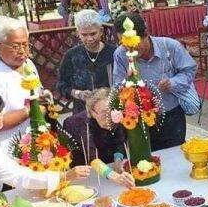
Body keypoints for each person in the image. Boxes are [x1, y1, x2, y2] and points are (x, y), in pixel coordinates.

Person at [111, 13, 197, 150]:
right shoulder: (120, 54)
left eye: (134, 42)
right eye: (124, 43)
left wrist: (172, 83)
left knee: (175, 155)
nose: (129, 48)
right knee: (146, 161)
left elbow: (189, 71)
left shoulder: (170, 47)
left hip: (171, 114)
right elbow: (117, 85)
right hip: (140, 120)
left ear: (146, 33)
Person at [0, 17, 40, 144]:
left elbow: (38, 91)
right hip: (12, 145)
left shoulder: (29, 64)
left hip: (39, 137)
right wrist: (30, 111)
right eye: (15, 46)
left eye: (25, 45)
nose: (22, 51)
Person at [57, 10, 116, 113]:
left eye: (93, 33)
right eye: (84, 35)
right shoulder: (71, 56)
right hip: (82, 112)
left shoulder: (113, 53)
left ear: (101, 31)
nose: (89, 39)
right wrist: (77, 93)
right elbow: (61, 85)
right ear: (77, 33)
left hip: (110, 110)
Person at [62, 88, 128, 168]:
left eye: (112, 111)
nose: (109, 117)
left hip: (107, 162)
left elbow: (119, 143)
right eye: (104, 113)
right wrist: (112, 175)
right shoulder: (80, 124)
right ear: (92, 112)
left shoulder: (116, 116)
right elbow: (91, 156)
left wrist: (118, 163)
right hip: (85, 167)